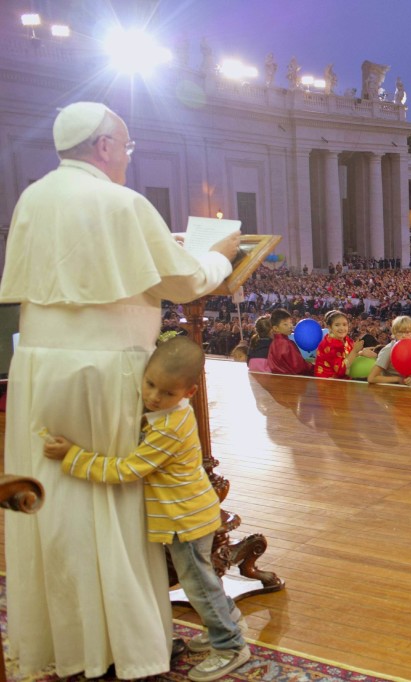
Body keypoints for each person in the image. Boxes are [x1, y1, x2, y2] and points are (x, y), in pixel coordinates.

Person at [0, 101, 239, 679]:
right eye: (126, 148)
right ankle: (127, 644)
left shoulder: (33, 197)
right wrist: (218, 254)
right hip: (105, 370)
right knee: (111, 501)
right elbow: (183, 277)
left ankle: (71, 641)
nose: (127, 159)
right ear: (104, 145)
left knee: (56, 506)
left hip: (37, 367)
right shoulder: (122, 202)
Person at [40, 338, 251, 681]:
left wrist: (73, 456)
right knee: (202, 580)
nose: (153, 396)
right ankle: (227, 620)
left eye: (167, 393)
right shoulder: (166, 414)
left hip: (185, 519)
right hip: (188, 512)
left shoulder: (168, 427)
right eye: (150, 384)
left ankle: (230, 644)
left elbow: (127, 470)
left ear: (189, 392)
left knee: (197, 584)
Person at [368, 315, 411, 386]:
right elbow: (371, 378)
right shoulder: (388, 350)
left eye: (407, 332)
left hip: (403, 390)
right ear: (394, 333)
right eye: (400, 332)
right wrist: (398, 379)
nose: (403, 336)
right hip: (388, 389)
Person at [314, 310, 363, 379]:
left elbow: (350, 354)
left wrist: (362, 353)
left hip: (343, 380)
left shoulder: (346, 339)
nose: (342, 328)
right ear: (330, 327)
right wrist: (355, 351)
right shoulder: (329, 345)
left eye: (344, 324)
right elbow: (341, 370)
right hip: (329, 383)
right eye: (337, 325)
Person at [267, 308, 314, 375]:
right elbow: (300, 367)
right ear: (275, 328)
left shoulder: (273, 344)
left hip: (276, 380)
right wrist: (314, 367)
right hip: (291, 381)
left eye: (291, 323)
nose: (290, 326)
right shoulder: (287, 344)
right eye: (285, 324)